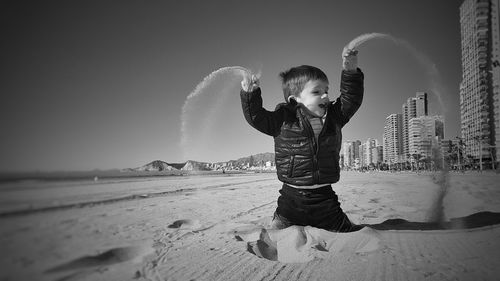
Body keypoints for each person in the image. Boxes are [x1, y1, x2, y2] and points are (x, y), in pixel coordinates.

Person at [240, 49, 364, 232]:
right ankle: (281, 219)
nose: (325, 96)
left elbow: (351, 100)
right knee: (279, 227)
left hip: (325, 198)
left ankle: (337, 223)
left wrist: (350, 72)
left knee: (344, 228)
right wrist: (250, 93)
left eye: (326, 91)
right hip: (291, 199)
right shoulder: (282, 120)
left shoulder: (334, 118)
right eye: (317, 91)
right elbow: (255, 117)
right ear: (294, 99)